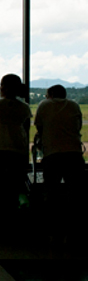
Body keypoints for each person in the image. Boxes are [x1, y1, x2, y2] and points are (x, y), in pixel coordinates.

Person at [34, 85, 84, 219]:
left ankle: (53, 226)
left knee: (51, 193)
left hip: (52, 154)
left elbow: (39, 126)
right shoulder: (74, 105)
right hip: (74, 153)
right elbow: (78, 126)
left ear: (50, 95)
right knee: (75, 192)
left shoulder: (44, 105)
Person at [0, 74, 32, 210]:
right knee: (15, 184)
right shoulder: (24, 107)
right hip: (18, 147)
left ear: (4, 88)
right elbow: (26, 127)